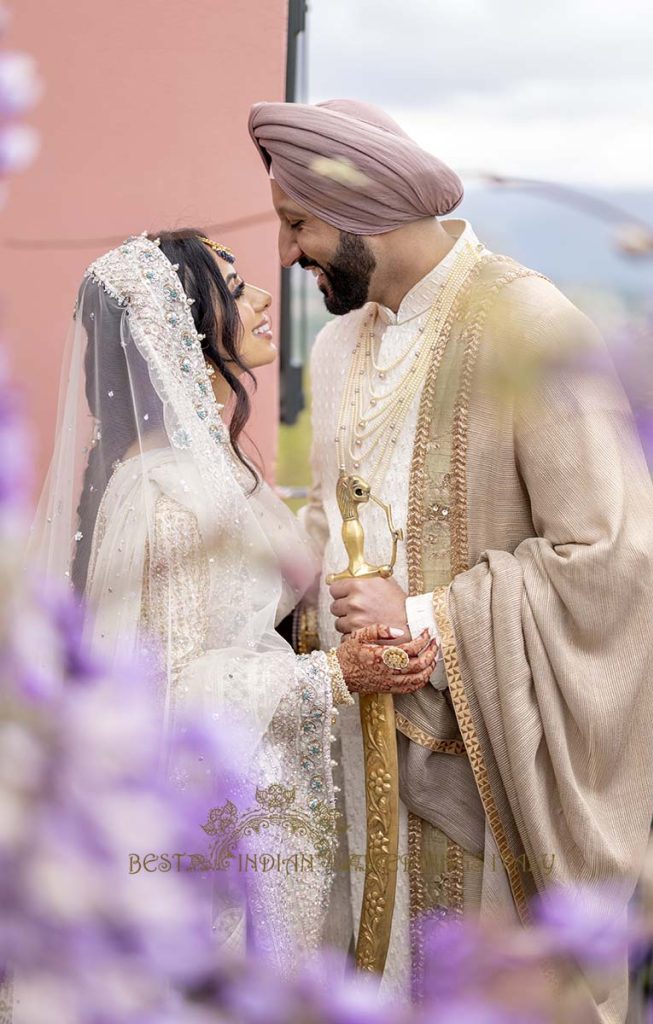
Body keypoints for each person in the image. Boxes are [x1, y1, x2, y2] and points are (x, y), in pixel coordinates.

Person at [249, 99, 653, 1019]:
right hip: (355, 768)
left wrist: (428, 617)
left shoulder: (529, 326)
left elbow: (611, 555)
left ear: (364, 213)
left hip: (484, 780)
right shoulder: (335, 344)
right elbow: (332, 526)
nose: (286, 255)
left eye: (297, 225)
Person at [28, 228, 438, 974]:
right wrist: (331, 674)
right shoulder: (162, 495)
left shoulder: (204, 466)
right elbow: (171, 688)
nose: (257, 299)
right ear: (178, 328)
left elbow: (245, 614)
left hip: (265, 803)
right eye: (232, 285)